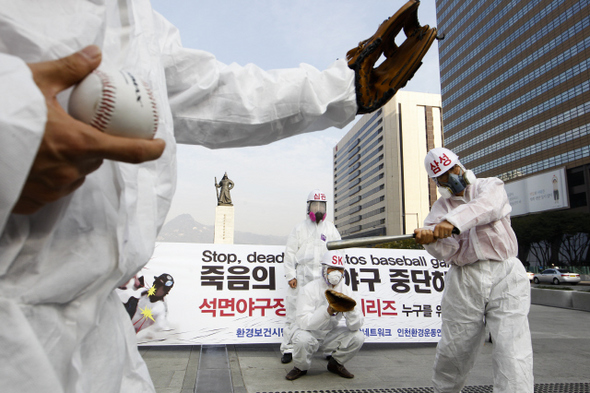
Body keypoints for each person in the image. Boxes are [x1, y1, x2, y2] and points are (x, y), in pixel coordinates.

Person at [0, 2, 433, 392]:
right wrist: (11, 131)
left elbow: (213, 91)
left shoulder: (135, 16)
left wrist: (341, 88)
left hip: (100, 334)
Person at [413, 147, 534, 393]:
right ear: (437, 181)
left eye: (453, 169)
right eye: (443, 176)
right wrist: (431, 241)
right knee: (454, 350)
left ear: (460, 165)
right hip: (465, 278)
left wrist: (452, 222)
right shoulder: (439, 209)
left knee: (513, 350)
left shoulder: (490, 186)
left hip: (506, 273)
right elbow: (448, 252)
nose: (452, 177)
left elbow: (488, 207)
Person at [280, 189, 341, 364]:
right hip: (302, 278)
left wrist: (335, 276)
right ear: (309, 207)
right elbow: (290, 253)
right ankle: (289, 348)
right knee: (294, 313)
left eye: (322, 205)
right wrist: (291, 275)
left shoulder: (330, 228)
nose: (318, 209)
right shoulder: (299, 228)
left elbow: (339, 252)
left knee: (327, 314)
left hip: (324, 279)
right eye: (315, 205)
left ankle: (327, 349)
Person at [285, 250, 364, 380]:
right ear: (324, 269)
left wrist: (351, 310)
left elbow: (355, 326)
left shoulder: (347, 290)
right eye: (332, 269)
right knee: (301, 339)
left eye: (340, 269)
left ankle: (336, 363)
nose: (336, 273)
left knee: (358, 337)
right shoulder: (309, 289)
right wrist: (327, 312)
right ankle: (301, 367)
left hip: (330, 334)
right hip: (310, 333)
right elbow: (304, 323)